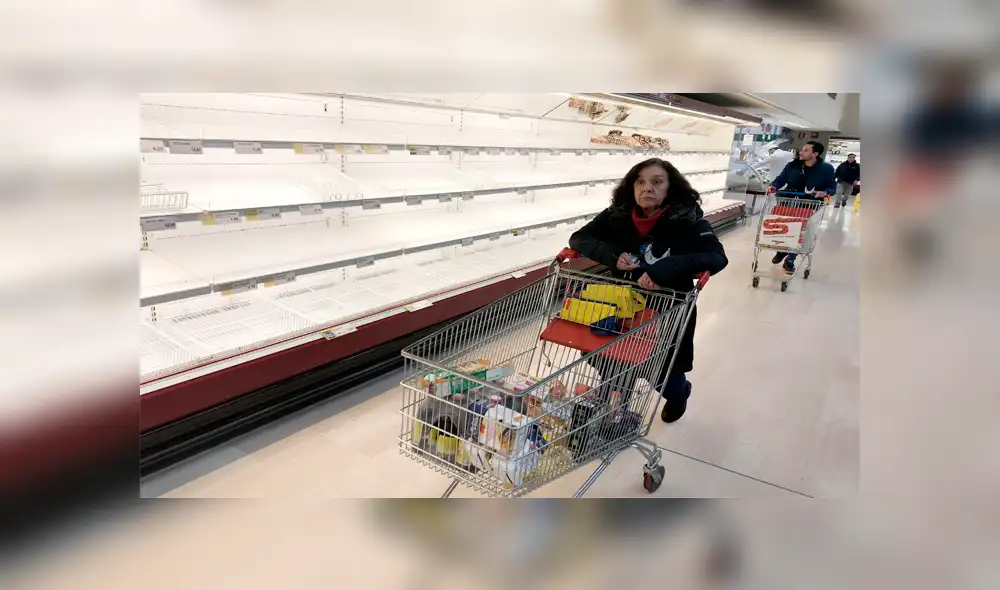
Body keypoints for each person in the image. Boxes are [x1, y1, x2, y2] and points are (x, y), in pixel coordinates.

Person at [568, 158, 728, 423]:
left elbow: (716, 257)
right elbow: (580, 238)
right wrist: (612, 255)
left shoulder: (687, 219)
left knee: (662, 371)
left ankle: (679, 394)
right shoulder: (617, 215)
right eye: (640, 182)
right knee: (611, 360)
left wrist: (662, 270)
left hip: (668, 306)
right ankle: (615, 416)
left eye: (656, 182)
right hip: (622, 302)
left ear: (670, 188)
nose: (647, 188)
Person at [765, 140, 837, 274]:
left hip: (809, 205)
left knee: (801, 232)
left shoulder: (826, 169)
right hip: (788, 203)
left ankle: (790, 259)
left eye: (806, 150)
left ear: (815, 153)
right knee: (783, 227)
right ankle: (781, 251)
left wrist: (825, 192)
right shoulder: (792, 165)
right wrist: (773, 186)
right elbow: (781, 179)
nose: (801, 152)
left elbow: (832, 187)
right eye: (802, 149)